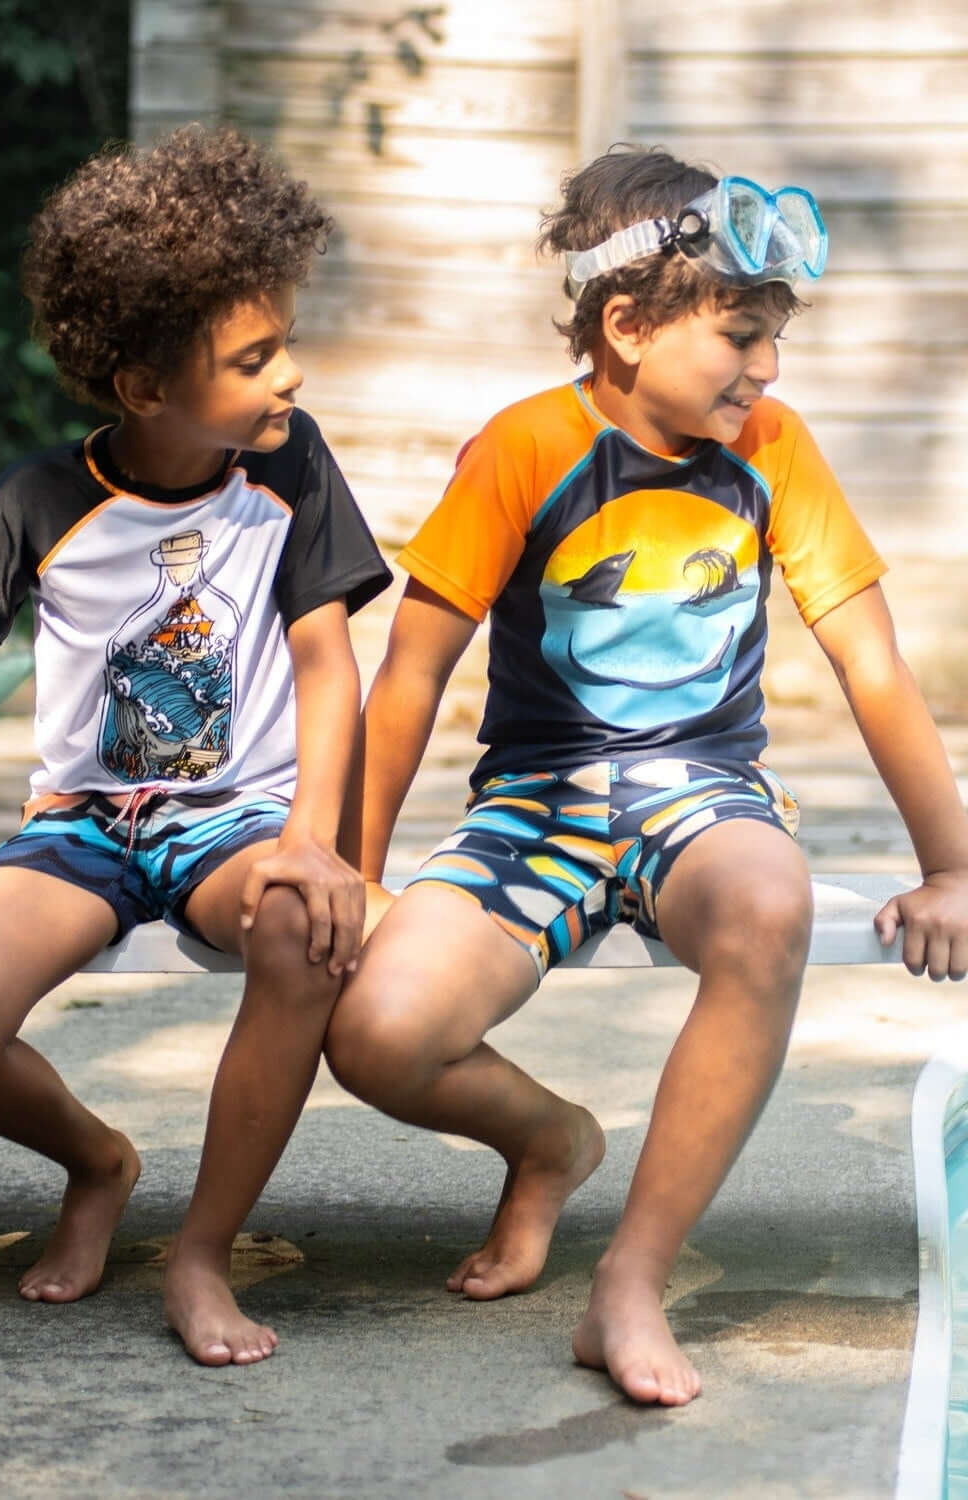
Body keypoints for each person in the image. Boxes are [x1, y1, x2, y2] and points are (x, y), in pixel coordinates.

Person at [327, 145, 968, 1406]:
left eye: (774, 339)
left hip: (703, 799)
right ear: (626, 325)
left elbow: (874, 666)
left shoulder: (774, 449)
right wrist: (350, 870)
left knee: (768, 905)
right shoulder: (523, 449)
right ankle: (551, 1141)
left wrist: (952, 862)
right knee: (378, 1034)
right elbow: (405, 678)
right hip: (539, 804)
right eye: (739, 336)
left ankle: (632, 1275)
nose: (767, 370)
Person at [0, 125, 391, 1367]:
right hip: (81, 826)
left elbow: (326, 662)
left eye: (284, 342)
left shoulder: (289, 467)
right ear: (146, 388)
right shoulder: (39, 502)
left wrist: (313, 842)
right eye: (255, 359)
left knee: (304, 925)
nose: (289, 376)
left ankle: (200, 1252)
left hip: (235, 823)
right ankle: (98, 1162)